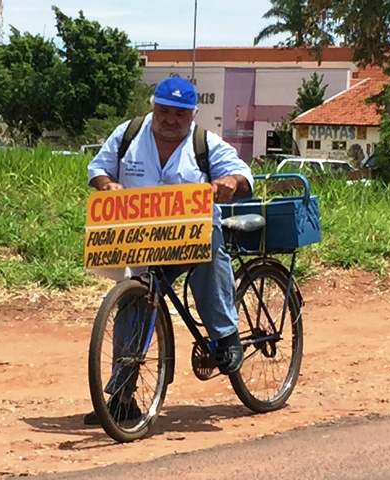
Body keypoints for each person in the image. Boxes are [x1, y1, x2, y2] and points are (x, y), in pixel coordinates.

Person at [84, 76, 253, 425]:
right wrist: (108, 184)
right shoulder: (129, 134)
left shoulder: (205, 143)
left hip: (191, 237)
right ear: (153, 108)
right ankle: (122, 395)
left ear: (192, 114)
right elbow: (98, 169)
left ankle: (225, 335)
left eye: (179, 114)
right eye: (164, 111)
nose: (170, 119)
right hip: (143, 239)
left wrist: (229, 183)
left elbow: (242, 175)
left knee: (209, 249)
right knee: (132, 303)